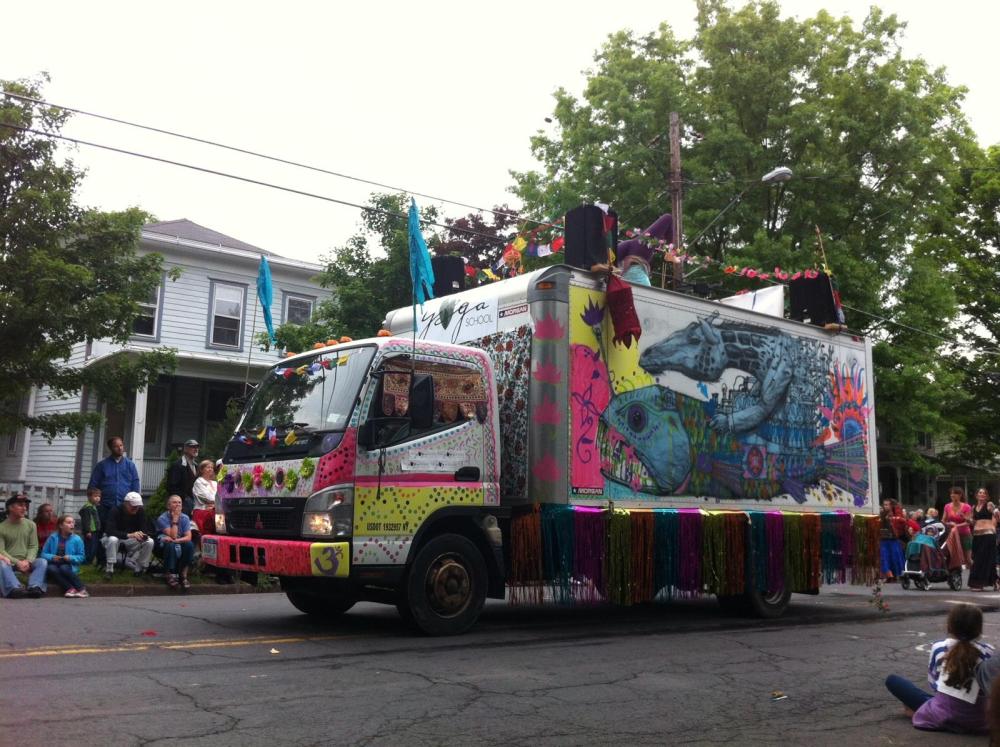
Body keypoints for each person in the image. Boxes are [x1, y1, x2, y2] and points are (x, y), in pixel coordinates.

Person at [885, 603, 992, 734]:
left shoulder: (939, 647)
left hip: (943, 715)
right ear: (979, 629)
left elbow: (934, 685)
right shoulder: (988, 652)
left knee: (893, 681)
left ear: (949, 626)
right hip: (980, 721)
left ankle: (919, 712)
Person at [87, 436, 141, 549]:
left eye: (121, 445)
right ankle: (101, 559)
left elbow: (135, 483)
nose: (120, 448)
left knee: (120, 531)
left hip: (123, 506)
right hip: (105, 505)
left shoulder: (130, 465)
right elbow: (93, 485)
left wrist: (134, 501)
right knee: (102, 531)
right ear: (110, 448)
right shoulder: (102, 465)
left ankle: (119, 557)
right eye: (116, 446)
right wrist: (95, 501)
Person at [0, 494, 47, 598]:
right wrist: (17, 563)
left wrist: (28, 561)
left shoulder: (31, 525)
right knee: (1, 563)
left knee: (42, 562)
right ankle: (14, 588)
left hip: (27, 562)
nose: (24, 508)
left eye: (25, 506)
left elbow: (33, 546)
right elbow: (1, 551)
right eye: (20, 505)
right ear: (10, 508)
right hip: (10, 563)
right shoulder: (1, 527)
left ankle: (34, 587)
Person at [101, 491, 154, 580]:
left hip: (131, 540)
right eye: (133, 506)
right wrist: (130, 535)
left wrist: (143, 535)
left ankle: (139, 569)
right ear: (126, 503)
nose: (136, 508)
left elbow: (145, 528)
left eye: (137, 506)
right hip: (114, 539)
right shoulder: (115, 510)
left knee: (149, 542)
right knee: (112, 539)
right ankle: (109, 569)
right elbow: (109, 531)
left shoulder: (140, 511)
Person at [41, 515, 88, 598]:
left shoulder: (77, 539)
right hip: (55, 563)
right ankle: (70, 588)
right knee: (51, 568)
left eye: (73, 523)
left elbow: (81, 557)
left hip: (69, 564)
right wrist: (52, 557)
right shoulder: (52, 537)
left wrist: (70, 557)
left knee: (64, 568)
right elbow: (43, 553)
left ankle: (82, 589)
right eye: (69, 522)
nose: (72, 525)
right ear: (61, 525)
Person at [156, 495, 195, 591]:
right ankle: (170, 574)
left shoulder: (185, 518)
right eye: (174, 502)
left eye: (179, 502)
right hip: (164, 544)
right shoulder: (162, 518)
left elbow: (188, 537)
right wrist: (175, 519)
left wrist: (177, 540)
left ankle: (183, 574)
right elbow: (173, 535)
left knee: (189, 545)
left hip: (178, 540)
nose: (177, 505)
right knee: (170, 544)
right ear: (168, 506)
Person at [969, 488, 998, 591]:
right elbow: (973, 522)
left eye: (984, 493)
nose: (982, 494)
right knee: (979, 558)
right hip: (977, 536)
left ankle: (979, 583)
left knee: (982, 559)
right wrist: (968, 519)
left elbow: (996, 518)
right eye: (980, 493)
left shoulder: (989, 505)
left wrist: (993, 529)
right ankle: (996, 581)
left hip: (988, 535)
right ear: (976, 495)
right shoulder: (973, 507)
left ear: (986, 496)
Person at [167, 439, 201, 516]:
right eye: (193, 447)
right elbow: (172, 486)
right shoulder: (177, 465)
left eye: (197, 447)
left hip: (195, 503)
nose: (196, 449)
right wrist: (183, 500)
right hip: (182, 505)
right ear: (185, 449)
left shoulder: (196, 466)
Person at [944, 487, 974, 567]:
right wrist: (948, 523)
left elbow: (968, 522)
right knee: (953, 557)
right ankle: (955, 576)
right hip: (952, 535)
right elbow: (943, 520)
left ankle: (976, 574)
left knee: (967, 559)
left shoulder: (967, 507)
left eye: (955, 493)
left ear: (960, 495)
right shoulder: (947, 506)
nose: (952, 495)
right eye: (951, 493)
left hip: (964, 534)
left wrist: (956, 525)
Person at [879, 498, 907, 582]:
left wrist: (893, 519)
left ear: (891, 505)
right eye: (884, 505)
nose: (885, 506)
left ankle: (898, 575)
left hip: (893, 540)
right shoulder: (882, 514)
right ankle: (888, 575)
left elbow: (903, 522)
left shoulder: (896, 514)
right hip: (883, 540)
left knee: (895, 558)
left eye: (887, 505)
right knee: (884, 558)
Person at [191, 459, 217, 535]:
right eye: (208, 467)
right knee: (204, 537)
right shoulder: (199, 482)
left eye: (212, 467)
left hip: (213, 511)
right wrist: (216, 503)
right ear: (202, 470)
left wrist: (215, 505)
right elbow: (208, 498)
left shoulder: (215, 483)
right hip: (202, 512)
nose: (211, 469)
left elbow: (221, 497)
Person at [79, 487, 102, 565]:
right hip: (90, 531)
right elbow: (86, 520)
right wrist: (88, 531)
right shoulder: (88, 508)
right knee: (89, 547)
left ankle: (90, 560)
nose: (97, 498)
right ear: (89, 497)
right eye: (95, 496)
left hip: (95, 530)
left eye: (99, 496)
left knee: (94, 546)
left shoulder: (94, 506)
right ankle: (86, 561)